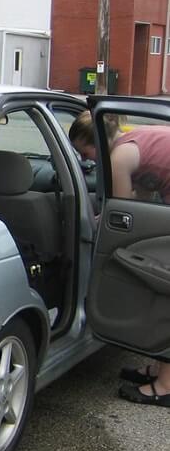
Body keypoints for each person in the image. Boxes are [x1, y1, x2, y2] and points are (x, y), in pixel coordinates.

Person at [69, 110, 170, 408]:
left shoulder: (118, 157)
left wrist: (94, 226)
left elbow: (127, 216)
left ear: (96, 141)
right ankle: (159, 368)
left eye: (82, 150)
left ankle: (165, 386)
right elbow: (139, 196)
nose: (84, 158)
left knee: (163, 290)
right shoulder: (131, 143)